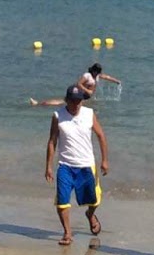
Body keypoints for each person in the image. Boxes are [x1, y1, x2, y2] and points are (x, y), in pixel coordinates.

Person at [46, 85, 108, 246]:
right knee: (62, 202)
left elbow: (101, 135)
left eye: (79, 101)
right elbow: (52, 141)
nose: (76, 104)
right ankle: (67, 233)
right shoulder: (58, 115)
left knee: (94, 201)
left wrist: (104, 161)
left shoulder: (89, 114)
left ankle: (90, 214)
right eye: (73, 101)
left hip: (86, 165)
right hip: (65, 165)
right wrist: (49, 166)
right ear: (67, 100)